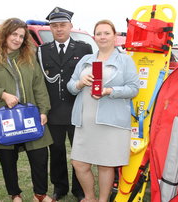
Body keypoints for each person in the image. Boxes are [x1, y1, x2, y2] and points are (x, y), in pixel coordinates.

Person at [0, 18, 54, 202]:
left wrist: (43, 110)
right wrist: (2, 94)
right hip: (4, 117)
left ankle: (40, 194)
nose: (18, 39)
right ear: (4, 34)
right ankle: (15, 195)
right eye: (14, 34)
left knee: (40, 155)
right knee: (8, 159)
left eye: (21, 36)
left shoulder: (29, 56)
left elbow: (39, 86)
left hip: (30, 114)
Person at [67, 20, 139, 202]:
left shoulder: (124, 60)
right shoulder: (85, 61)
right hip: (85, 121)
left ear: (115, 36)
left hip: (111, 121)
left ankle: (103, 200)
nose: (102, 37)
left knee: (106, 165)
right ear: (94, 37)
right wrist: (80, 83)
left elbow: (133, 88)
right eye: (99, 33)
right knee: (79, 163)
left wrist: (110, 91)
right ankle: (90, 197)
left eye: (107, 33)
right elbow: (70, 86)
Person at [37, 7, 92, 201]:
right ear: (50, 29)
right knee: (57, 151)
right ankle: (59, 187)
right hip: (53, 111)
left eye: (62, 25)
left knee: (79, 151)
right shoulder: (42, 51)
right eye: (54, 26)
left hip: (78, 109)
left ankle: (79, 188)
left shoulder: (84, 48)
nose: (59, 29)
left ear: (70, 26)